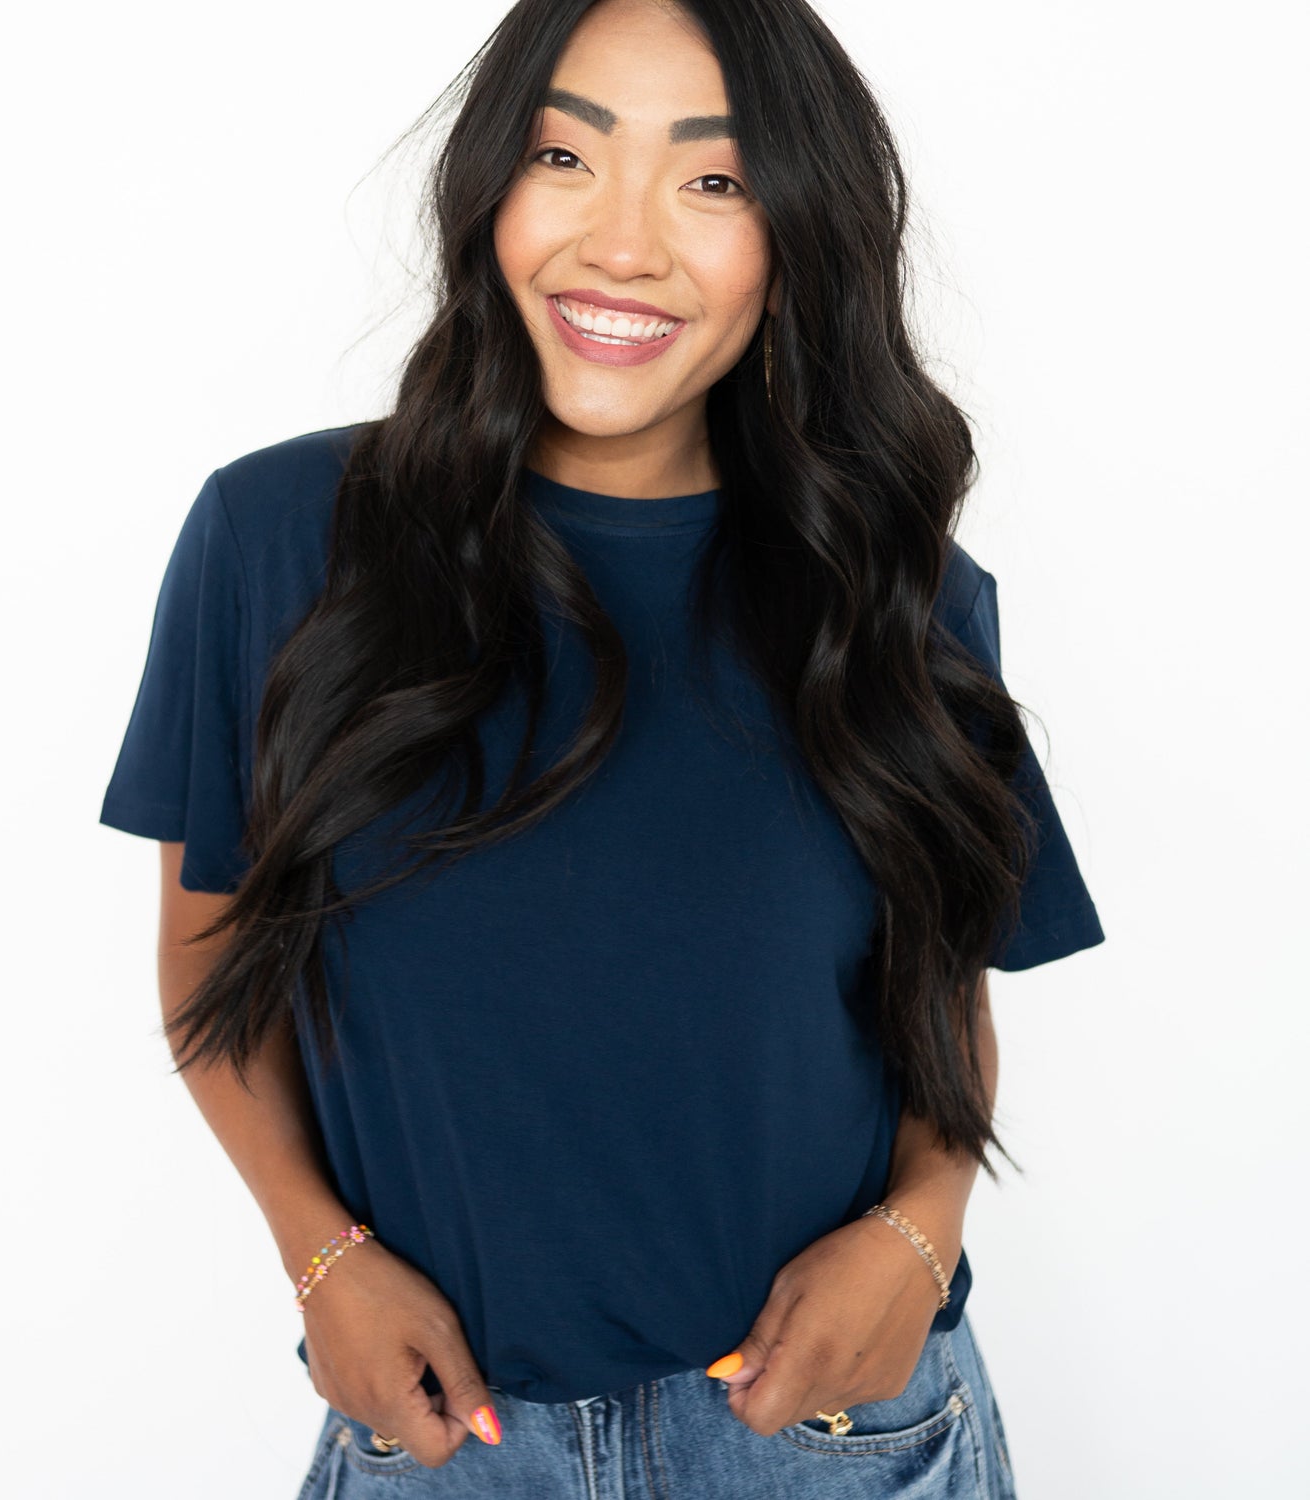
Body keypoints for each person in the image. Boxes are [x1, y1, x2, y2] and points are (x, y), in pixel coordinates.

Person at [98, 0, 1104, 1494]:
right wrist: (322, 1261)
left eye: (715, 180)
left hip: (830, 1439)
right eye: (567, 156)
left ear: (798, 234)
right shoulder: (282, 545)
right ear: (493, 186)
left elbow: (935, 997)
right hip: (451, 1438)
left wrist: (921, 1229)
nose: (623, 244)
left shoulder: (897, 596)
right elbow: (208, 960)